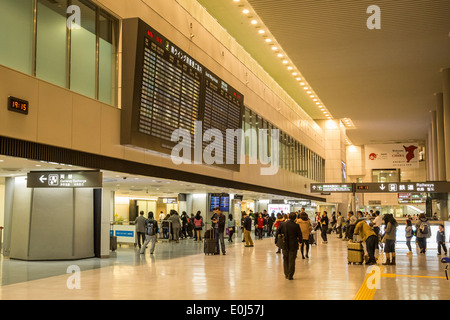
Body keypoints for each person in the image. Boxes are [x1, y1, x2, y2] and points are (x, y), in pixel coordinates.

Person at [275, 212, 302, 280]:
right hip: (293, 244)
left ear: (289, 217)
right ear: (295, 218)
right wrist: (300, 242)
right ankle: (290, 275)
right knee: (292, 260)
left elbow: (277, 233)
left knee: (285, 259)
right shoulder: (296, 225)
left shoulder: (282, 224)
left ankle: (286, 274)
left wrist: (276, 241)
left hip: (284, 244)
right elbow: (300, 235)